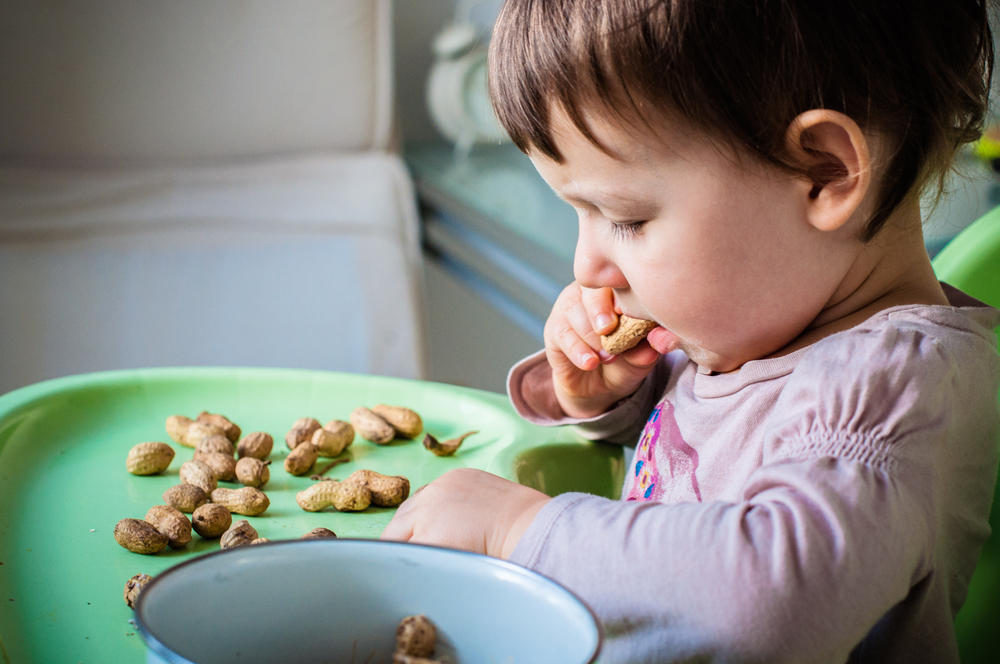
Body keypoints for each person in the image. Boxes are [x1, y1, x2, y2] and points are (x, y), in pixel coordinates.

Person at [382, 1, 1000, 661]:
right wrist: (611, 398)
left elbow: (770, 594)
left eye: (626, 218)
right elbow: (703, 451)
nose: (585, 265)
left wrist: (517, 529)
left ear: (823, 173)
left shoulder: (895, 385)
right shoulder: (757, 326)